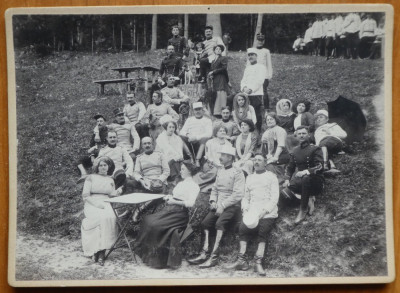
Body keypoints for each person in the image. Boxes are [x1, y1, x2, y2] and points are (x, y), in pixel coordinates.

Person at [188, 144, 245, 268]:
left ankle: (214, 257)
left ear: (230, 157)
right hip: (218, 204)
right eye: (221, 155)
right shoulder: (220, 171)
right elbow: (214, 189)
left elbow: (238, 194)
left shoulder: (238, 172)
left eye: (224, 155)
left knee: (219, 224)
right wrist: (213, 201)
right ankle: (204, 253)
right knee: (205, 223)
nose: (221, 157)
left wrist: (223, 205)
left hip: (232, 206)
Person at [134, 161, 200, 269]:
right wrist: (170, 197)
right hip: (169, 209)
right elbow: (176, 196)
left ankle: (158, 260)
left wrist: (174, 202)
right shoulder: (181, 183)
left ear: (189, 171)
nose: (180, 171)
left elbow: (190, 203)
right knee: (147, 219)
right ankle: (145, 254)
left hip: (179, 214)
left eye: (183, 169)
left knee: (155, 225)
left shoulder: (194, 186)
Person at [227, 154, 279, 276]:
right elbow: (246, 197)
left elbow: (275, 197)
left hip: (267, 211)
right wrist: (245, 209)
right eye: (254, 160)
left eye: (259, 160)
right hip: (252, 211)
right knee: (242, 229)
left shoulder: (271, 177)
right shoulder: (250, 178)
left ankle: (258, 262)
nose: (256, 162)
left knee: (263, 232)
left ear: (265, 163)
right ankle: (241, 261)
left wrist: (265, 211)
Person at [81, 156, 123, 266]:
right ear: (97, 167)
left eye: (105, 165)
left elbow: (111, 195)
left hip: (106, 203)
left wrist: (118, 192)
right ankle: (96, 251)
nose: (103, 167)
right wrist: (97, 204)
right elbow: (85, 196)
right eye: (101, 165)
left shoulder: (111, 179)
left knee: (111, 217)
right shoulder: (90, 177)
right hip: (92, 203)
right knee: (100, 218)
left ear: (109, 167)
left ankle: (102, 252)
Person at [281, 126, 324, 224]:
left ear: (308, 135)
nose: (301, 135)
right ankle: (309, 197)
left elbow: (320, 166)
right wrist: (287, 179)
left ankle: (303, 209)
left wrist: (306, 171)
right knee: (284, 192)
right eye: (299, 134)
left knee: (305, 178)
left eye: (304, 133)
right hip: (301, 182)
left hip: (316, 182)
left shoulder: (315, 148)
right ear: (296, 136)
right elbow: (290, 167)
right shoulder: (295, 151)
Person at [131, 137, 170, 221]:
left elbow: (166, 171)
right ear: (142, 146)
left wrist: (159, 180)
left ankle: (139, 210)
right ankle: (130, 206)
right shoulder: (139, 157)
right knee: (129, 183)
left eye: (149, 143)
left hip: (159, 181)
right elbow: (136, 172)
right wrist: (142, 181)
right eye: (145, 144)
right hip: (146, 181)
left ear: (153, 144)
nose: (147, 145)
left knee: (161, 194)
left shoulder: (160, 155)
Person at [193, 124, 232, 193]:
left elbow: (228, 158)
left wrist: (223, 166)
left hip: (223, 165)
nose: (222, 132)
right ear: (216, 133)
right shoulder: (210, 142)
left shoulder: (229, 144)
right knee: (215, 171)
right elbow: (208, 156)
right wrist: (214, 164)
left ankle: (211, 186)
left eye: (224, 131)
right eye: (220, 131)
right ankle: (196, 183)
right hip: (210, 164)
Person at [241, 48, 267, 133]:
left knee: (256, 112)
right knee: (246, 111)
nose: (250, 56)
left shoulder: (261, 67)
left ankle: (257, 130)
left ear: (256, 56)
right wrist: (244, 88)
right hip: (246, 94)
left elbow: (260, 80)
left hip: (256, 93)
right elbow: (243, 80)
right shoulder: (247, 68)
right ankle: (247, 129)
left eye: (252, 55)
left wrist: (251, 89)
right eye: (249, 55)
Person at [180, 102, 213, 167]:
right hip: (189, 140)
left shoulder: (207, 120)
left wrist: (196, 137)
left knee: (205, 138)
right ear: (193, 111)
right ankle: (190, 157)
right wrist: (188, 135)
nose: (197, 111)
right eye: (196, 110)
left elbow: (209, 133)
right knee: (180, 137)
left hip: (201, 141)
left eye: (199, 109)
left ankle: (197, 160)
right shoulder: (189, 120)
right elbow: (182, 131)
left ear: (202, 110)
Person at [77, 113, 108, 183]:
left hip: (105, 152)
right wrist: (92, 156)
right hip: (96, 152)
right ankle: (84, 174)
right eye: (98, 121)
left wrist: (95, 147)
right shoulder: (96, 132)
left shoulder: (108, 131)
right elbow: (91, 144)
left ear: (105, 122)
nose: (99, 123)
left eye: (101, 121)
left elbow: (106, 144)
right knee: (80, 160)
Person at [247, 33, 273, 110]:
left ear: (264, 41)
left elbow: (269, 63)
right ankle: (254, 106)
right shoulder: (251, 50)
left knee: (264, 91)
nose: (260, 42)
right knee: (253, 90)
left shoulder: (266, 51)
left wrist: (269, 75)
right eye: (259, 40)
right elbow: (248, 63)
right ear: (256, 41)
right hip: (253, 74)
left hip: (263, 74)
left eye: (262, 40)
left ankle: (266, 108)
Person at [208, 44, 230, 117]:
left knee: (221, 92)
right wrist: (212, 75)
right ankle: (216, 111)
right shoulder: (213, 60)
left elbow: (224, 68)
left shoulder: (223, 58)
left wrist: (213, 72)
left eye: (220, 49)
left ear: (221, 51)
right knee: (216, 93)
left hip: (221, 77)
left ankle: (222, 111)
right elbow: (212, 70)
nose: (218, 50)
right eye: (217, 49)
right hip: (215, 78)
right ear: (214, 51)